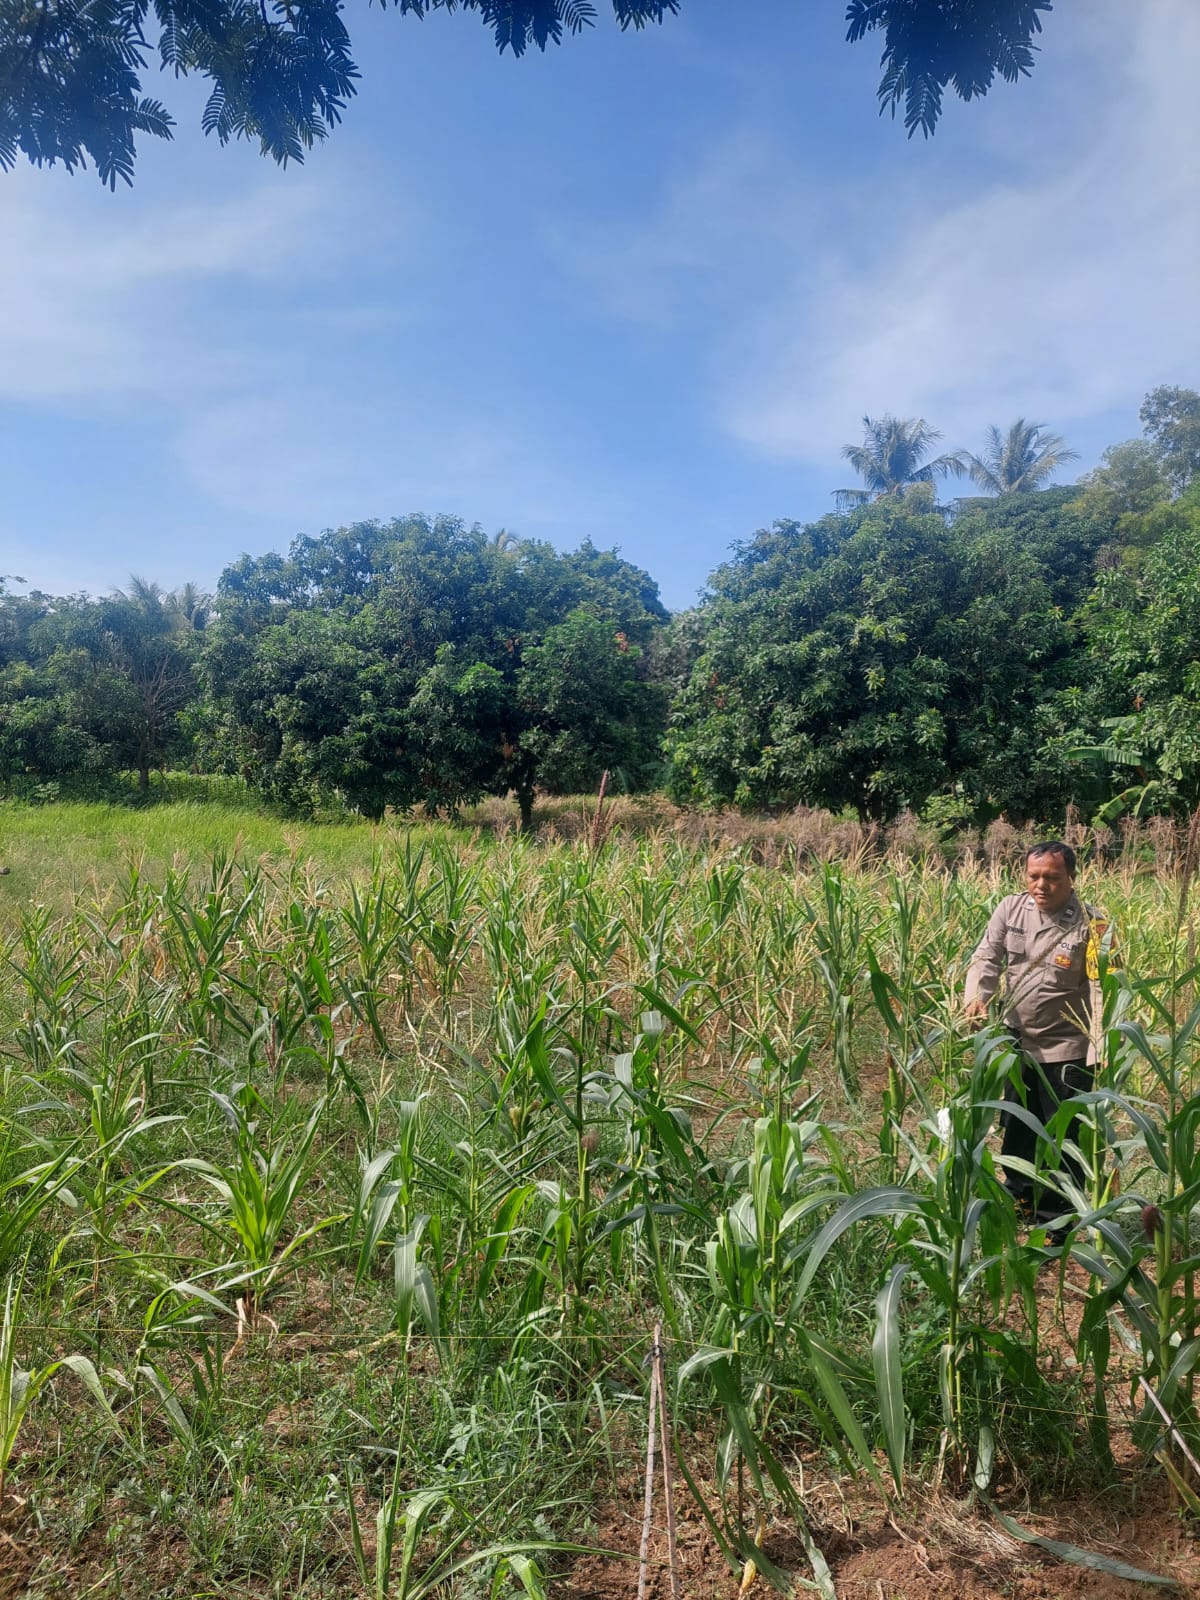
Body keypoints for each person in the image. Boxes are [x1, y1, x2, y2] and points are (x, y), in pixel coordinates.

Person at [964, 840, 1110, 1229]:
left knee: (1063, 1135)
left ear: (1072, 878)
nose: (1041, 885)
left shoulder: (1093, 924)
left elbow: (1102, 988)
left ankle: (1057, 1219)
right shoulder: (1010, 909)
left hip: (1068, 1047)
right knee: (1016, 1126)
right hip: (1017, 1043)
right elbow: (987, 956)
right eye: (1034, 876)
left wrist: (1101, 1046)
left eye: (1052, 877)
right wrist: (977, 996)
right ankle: (1020, 1201)